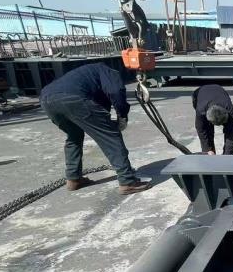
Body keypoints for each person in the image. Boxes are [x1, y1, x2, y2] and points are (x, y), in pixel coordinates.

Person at [40, 63, 150, 194]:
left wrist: (108, 119)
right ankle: (128, 181)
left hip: (47, 100)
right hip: (73, 98)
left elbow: (99, 107)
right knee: (111, 137)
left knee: (74, 136)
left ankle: (73, 178)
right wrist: (122, 115)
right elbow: (116, 91)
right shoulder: (109, 71)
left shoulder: (89, 75)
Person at [192, 84, 233, 155]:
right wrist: (207, 150)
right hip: (199, 93)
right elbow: (201, 130)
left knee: (230, 128)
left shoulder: (229, 109)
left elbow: (232, 132)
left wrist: (227, 154)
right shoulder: (201, 110)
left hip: (219, 90)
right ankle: (211, 154)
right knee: (208, 129)